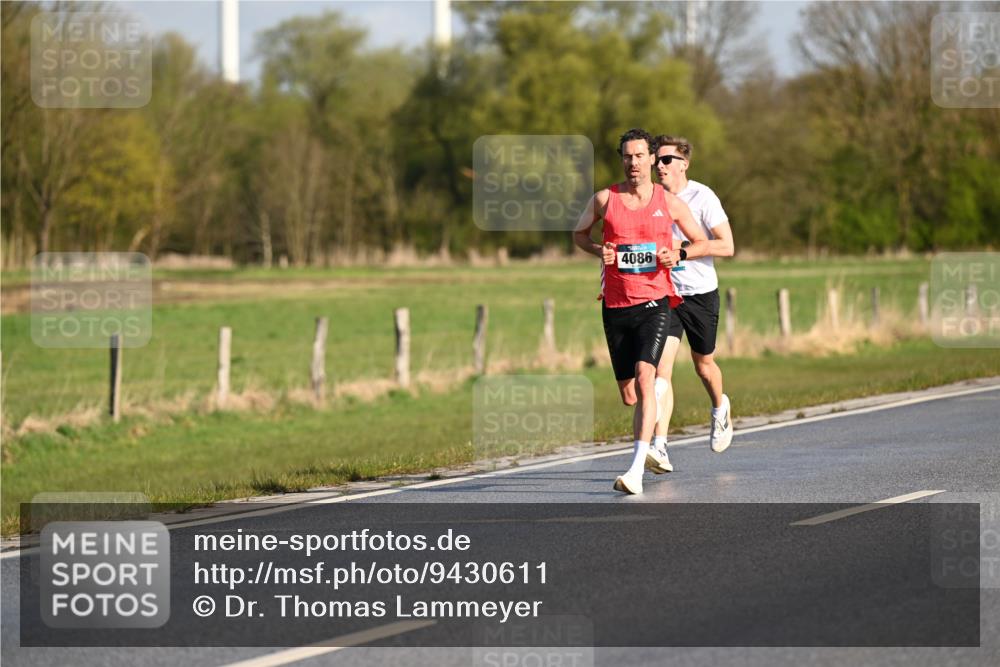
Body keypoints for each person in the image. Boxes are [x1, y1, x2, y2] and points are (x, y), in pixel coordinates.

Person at [573, 128, 710, 494]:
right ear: (623, 160)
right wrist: (598, 249)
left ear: (651, 159)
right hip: (616, 306)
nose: (633, 163)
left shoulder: (669, 202)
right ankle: (652, 415)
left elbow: (701, 242)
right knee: (630, 393)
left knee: (646, 377)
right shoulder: (605, 199)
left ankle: (635, 470)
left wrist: (677, 254)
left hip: (656, 302)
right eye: (627, 157)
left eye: (639, 156)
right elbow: (579, 234)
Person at [645, 135, 735, 473]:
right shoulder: (649, 199)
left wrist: (681, 249)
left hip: (699, 294)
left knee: (704, 366)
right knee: (658, 372)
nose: (660, 166)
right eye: (657, 160)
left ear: (684, 163)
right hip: (664, 295)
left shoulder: (702, 196)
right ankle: (660, 446)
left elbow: (727, 246)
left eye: (667, 160)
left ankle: (719, 409)